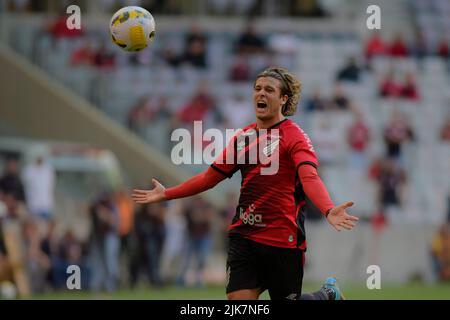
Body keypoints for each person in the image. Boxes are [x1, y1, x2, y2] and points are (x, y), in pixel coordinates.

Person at [132, 67, 359, 300]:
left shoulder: (295, 137)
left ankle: (327, 295)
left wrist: (328, 208)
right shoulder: (243, 138)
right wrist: (167, 193)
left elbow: (309, 177)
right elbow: (209, 178)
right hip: (245, 235)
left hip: (282, 239)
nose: (261, 93)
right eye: (257, 88)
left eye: (269, 90)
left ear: (283, 99)